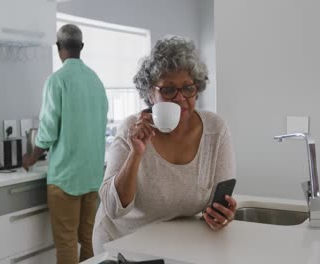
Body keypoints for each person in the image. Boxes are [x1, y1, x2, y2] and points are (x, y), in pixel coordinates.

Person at [93, 35, 237, 254]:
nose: (180, 98)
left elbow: (216, 204)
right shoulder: (131, 130)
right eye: (169, 90)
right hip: (122, 245)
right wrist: (136, 153)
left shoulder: (215, 130)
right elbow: (113, 209)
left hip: (175, 246)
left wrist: (220, 216)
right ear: (151, 93)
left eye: (188, 88)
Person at [23, 24, 108, 264]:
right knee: (89, 239)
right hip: (92, 177)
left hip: (65, 179)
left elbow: (48, 131)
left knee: (67, 241)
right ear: (81, 47)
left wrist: (31, 156)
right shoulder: (96, 81)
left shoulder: (56, 81)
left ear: (58, 48)